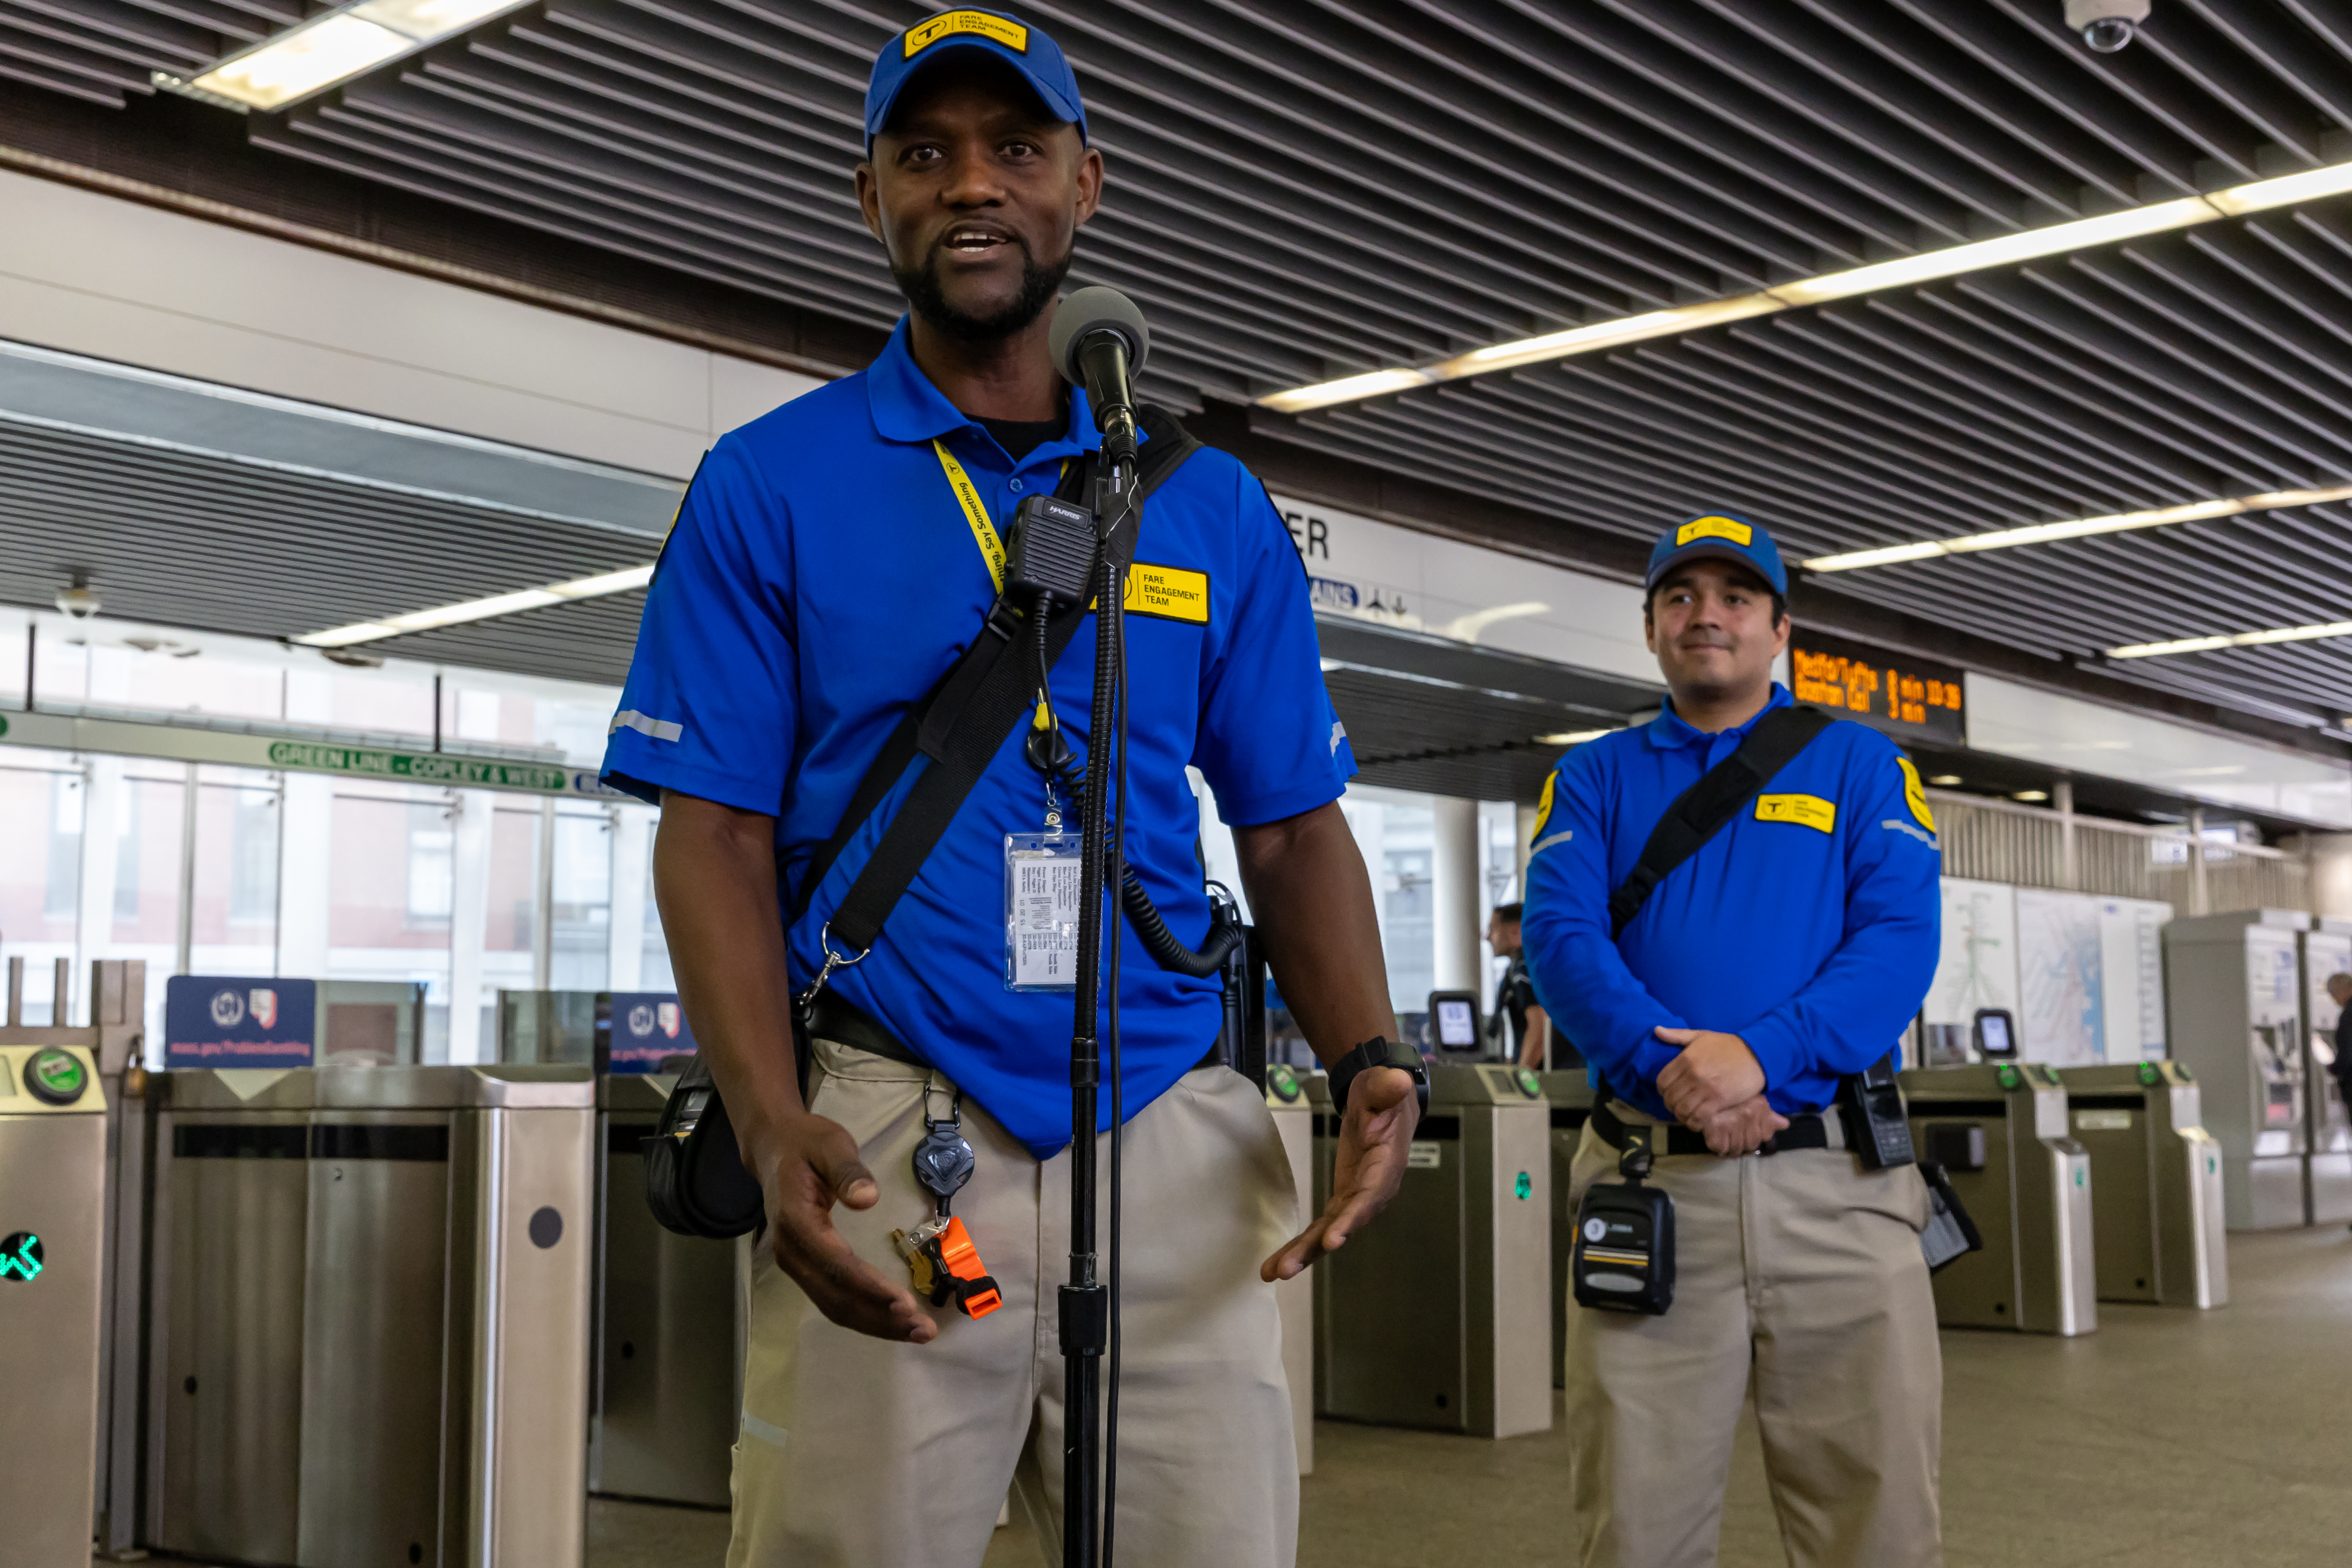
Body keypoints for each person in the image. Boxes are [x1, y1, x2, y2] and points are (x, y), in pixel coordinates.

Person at [600, 11, 1423, 1566]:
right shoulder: (774, 482)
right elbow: (712, 827)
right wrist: (775, 1122)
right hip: (888, 1128)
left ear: (1085, 185)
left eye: (1016, 149)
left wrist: (1365, 1045)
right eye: (925, 154)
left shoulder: (1207, 504)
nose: (972, 185)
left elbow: (1292, 821)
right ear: (870, 200)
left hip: (1172, 1140)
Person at [1521, 514, 1944, 1568]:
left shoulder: (1862, 766)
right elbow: (1559, 938)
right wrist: (1671, 1069)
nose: (1704, 614)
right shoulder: (1591, 778)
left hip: (1838, 1189)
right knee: (1636, 1526)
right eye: (1678, 597)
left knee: (1876, 1525)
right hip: (1649, 1184)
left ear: (1778, 628)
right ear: (1652, 628)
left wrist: (1760, 1056)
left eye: (1733, 597)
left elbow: (1896, 941)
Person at [1487, 901, 1568, 1070]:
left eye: (1493, 929)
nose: (1487, 937)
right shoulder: (1543, 962)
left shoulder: (1524, 967)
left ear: (1515, 931)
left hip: (1547, 1077)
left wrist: (1520, 1080)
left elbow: (1540, 1029)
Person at [2330, 973, 2352, 1232]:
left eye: (2333, 994)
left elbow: (2346, 1054)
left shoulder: (2348, 1016)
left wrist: (2334, 1069)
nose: (2334, 1000)